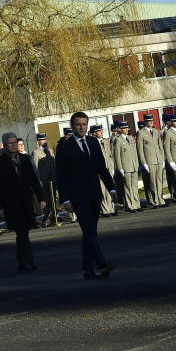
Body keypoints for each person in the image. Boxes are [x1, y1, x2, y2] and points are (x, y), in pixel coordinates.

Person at [56, 113, 117, 280]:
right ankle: (102, 263)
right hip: (77, 196)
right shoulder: (64, 146)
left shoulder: (92, 142)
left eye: (84, 124)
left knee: (90, 233)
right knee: (89, 230)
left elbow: (102, 168)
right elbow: (60, 175)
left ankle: (87, 269)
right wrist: (65, 199)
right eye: (78, 124)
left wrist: (111, 188)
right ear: (72, 126)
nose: (81, 127)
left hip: (94, 194)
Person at [0, 132, 45, 271]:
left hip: (26, 201)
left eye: (15, 142)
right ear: (5, 145)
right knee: (21, 231)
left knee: (24, 232)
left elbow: (34, 179)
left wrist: (41, 198)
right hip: (11, 203)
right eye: (11, 143)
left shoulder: (25, 159)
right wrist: (0, 206)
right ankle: (29, 261)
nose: (14, 145)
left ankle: (22, 261)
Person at [136, 113, 166, 208]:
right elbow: (140, 150)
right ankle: (155, 200)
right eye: (149, 121)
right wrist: (144, 163)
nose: (152, 122)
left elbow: (160, 146)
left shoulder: (156, 131)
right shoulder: (141, 133)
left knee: (159, 181)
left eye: (152, 120)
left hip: (158, 160)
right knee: (152, 182)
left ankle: (160, 199)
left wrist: (162, 158)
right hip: (150, 161)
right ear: (145, 122)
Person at [112, 122, 141, 212]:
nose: (126, 130)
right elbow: (117, 155)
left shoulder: (130, 138)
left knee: (134, 187)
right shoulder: (118, 140)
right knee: (128, 187)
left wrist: (137, 164)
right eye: (124, 128)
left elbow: (135, 153)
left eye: (127, 128)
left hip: (133, 166)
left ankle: (137, 204)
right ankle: (130, 205)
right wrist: (120, 168)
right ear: (120, 129)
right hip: (126, 167)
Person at [32, 132, 58, 226]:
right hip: (43, 180)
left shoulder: (50, 150)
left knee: (53, 198)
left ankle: (54, 217)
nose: (44, 141)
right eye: (42, 140)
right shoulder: (36, 152)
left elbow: (53, 163)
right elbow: (35, 167)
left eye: (45, 139)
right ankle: (46, 219)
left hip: (51, 179)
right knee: (46, 200)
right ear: (38, 141)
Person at [91, 125, 116, 216]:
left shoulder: (105, 141)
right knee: (102, 190)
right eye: (99, 131)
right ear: (94, 133)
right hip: (99, 169)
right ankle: (105, 210)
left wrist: (112, 167)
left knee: (110, 189)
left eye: (102, 130)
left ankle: (111, 208)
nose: (101, 132)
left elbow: (110, 155)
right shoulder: (92, 143)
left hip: (108, 167)